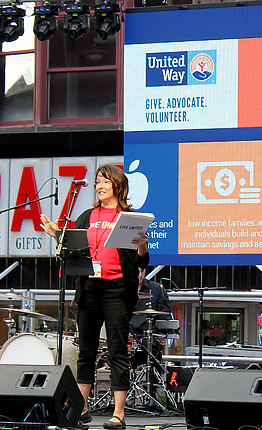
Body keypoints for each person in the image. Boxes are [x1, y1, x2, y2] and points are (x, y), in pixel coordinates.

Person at [40, 164, 148, 430]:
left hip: (117, 290)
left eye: (105, 182)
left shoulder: (129, 217)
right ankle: (82, 409)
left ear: (118, 187)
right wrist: (58, 236)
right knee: (85, 352)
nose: (99, 186)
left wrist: (143, 245)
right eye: (98, 181)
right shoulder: (87, 216)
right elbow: (72, 250)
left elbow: (141, 259)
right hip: (88, 289)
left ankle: (119, 413)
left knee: (116, 351)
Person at [130, 267, 172, 371]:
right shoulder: (123, 288)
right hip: (129, 335)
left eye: (142, 271)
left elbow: (165, 314)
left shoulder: (156, 289)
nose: (139, 275)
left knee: (153, 347)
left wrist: (164, 334)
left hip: (149, 336)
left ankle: (153, 384)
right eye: (137, 271)